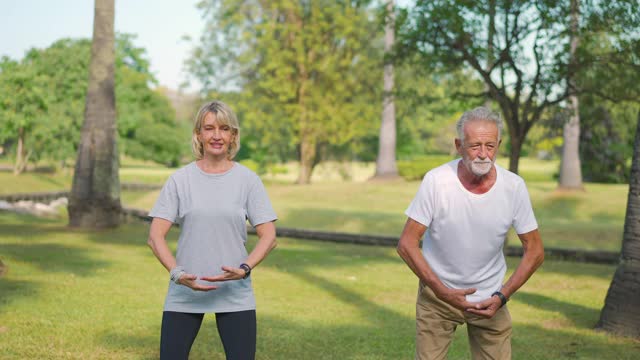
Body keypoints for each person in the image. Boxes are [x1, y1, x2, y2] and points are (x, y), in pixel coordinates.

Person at [397, 107, 544, 360]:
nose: (484, 155)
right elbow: (407, 244)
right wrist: (441, 290)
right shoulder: (437, 181)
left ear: (499, 144)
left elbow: (536, 251)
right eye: (475, 146)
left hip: (490, 300)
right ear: (458, 145)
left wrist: (502, 296)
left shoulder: (514, 187)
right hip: (438, 298)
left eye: (490, 146)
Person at [147, 100, 278, 360]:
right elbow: (154, 236)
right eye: (209, 128)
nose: (216, 135)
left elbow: (269, 236)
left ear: (233, 136)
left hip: (235, 293)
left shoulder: (248, 181)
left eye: (224, 128)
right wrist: (177, 274)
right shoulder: (180, 180)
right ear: (198, 134)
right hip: (185, 290)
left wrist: (245, 269)